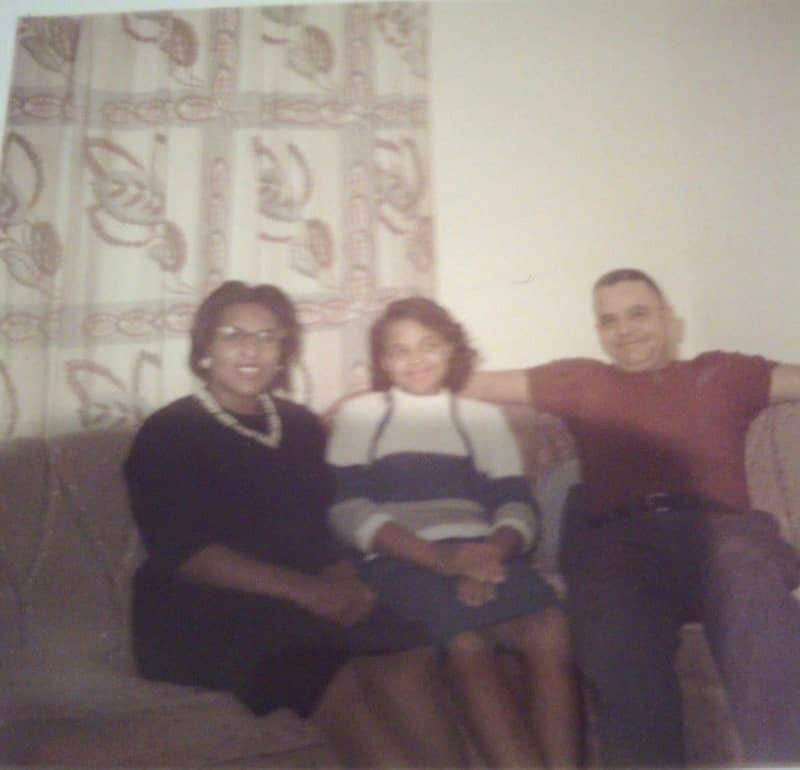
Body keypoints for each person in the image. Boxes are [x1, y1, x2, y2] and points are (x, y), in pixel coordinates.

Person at [123, 281, 469, 768]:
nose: (251, 349)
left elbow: (333, 520)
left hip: (303, 593)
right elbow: (184, 552)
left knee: (407, 655)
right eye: (232, 335)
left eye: (268, 337)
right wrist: (307, 592)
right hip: (202, 610)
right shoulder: (168, 433)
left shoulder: (302, 426)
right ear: (204, 349)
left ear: (283, 351)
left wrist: (349, 576)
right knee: (338, 677)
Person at [464, 267, 800, 767]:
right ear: (599, 332)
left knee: (751, 586)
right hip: (621, 542)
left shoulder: (723, 372)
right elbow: (478, 385)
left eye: (638, 314)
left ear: (670, 319)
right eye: (609, 321)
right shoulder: (582, 380)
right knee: (616, 636)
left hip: (719, 531)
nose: (625, 330)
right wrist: (373, 391)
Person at [326, 297, 580, 768]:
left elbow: (515, 504)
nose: (415, 359)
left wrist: (489, 555)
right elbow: (347, 509)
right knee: (467, 641)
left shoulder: (481, 419)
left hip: (484, 553)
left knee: (550, 628)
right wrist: (439, 560)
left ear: (451, 350)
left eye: (428, 345)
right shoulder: (362, 416)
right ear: (382, 361)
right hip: (402, 560)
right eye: (399, 350)